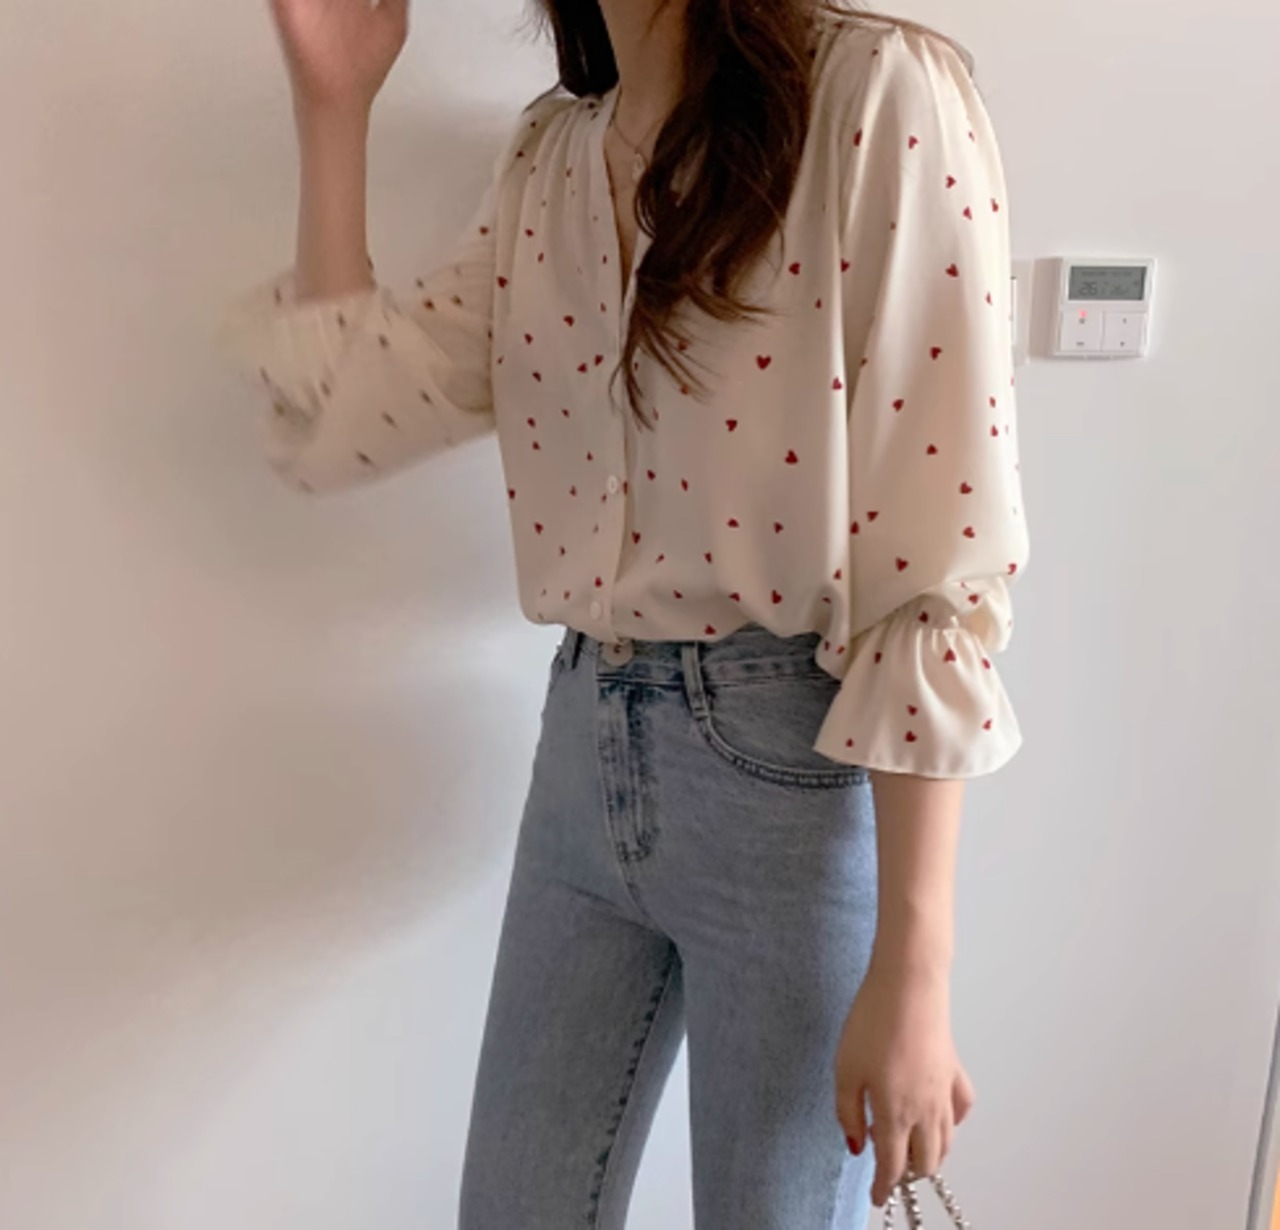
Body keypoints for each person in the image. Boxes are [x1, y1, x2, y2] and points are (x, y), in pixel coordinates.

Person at [215, 0, 1029, 1225]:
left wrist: (915, 974)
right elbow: (339, 416)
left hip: (787, 770)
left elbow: (932, 553)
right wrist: (334, 110)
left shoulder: (874, 92)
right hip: (581, 755)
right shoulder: (552, 155)